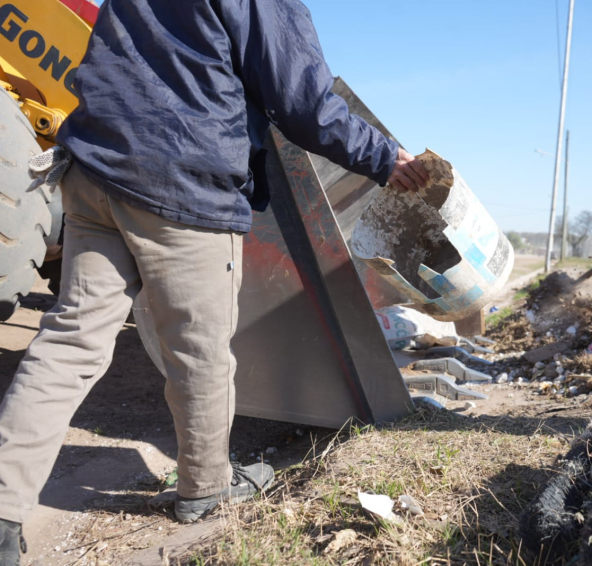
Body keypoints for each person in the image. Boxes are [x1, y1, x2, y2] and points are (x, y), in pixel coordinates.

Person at [0, 0, 429, 562]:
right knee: (200, 353)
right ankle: (205, 490)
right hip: (181, 182)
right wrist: (384, 158)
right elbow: (302, 102)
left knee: (70, 340)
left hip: (93, 171)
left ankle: (4, 507)